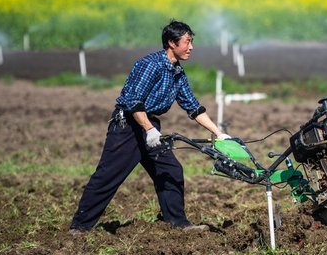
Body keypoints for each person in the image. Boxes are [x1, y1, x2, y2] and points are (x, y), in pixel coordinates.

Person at [70, 20, 230, 233]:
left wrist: (219, 134)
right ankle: (80, 226)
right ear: (172, 43)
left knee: (171, 170)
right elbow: (134, 101)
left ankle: (177, 223)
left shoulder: (178, 73)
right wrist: (149, 129)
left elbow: (193, 108)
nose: (191, 47)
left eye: (191, 42)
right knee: (109, 175)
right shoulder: (151, 64)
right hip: (128, 125)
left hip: (149, 125)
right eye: (187, 42)